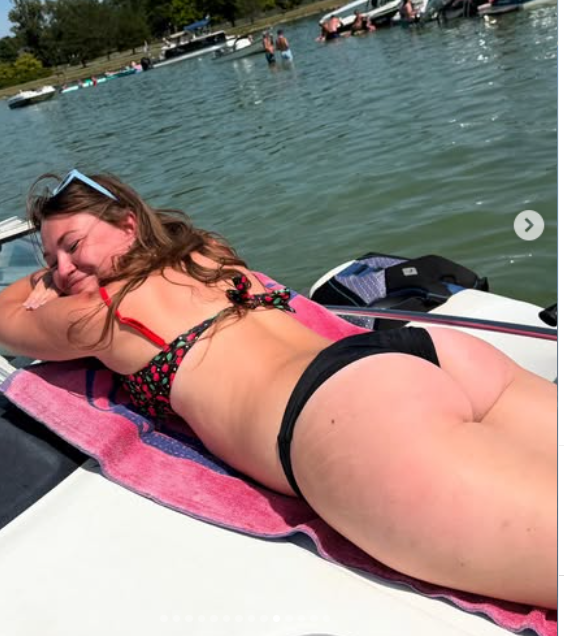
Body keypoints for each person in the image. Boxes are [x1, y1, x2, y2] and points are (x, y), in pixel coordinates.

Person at [0, 170, 556, 610]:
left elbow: (4, 314)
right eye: (51, 262)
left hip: (349, 422)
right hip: (427, 354)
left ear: (127, 224)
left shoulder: (99, 314)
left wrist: (42, 282)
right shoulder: (206, 254)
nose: (64, 269)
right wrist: (75, 257)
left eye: (72, 245)